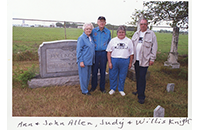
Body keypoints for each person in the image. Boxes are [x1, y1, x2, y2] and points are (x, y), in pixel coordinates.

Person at [131, 18, 158, 104]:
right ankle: (138, 91)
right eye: (141, 24)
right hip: (136, 60)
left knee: (142, 78)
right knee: (138, 77)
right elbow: (131, 44)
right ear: (140, 25)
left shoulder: (151, 34)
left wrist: (152, 58)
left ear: (147, 25)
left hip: (145, 60)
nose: (143, 25)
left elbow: (154, 47)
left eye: (145, 24)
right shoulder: (136, 33)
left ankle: (141, 96)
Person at [106, 26, 134, 96]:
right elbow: (109, 52)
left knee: (122, 75)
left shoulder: (129, 41)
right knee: (113, 74)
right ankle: (113, 88)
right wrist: (109, 62)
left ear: (125, 33)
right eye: (120, 32)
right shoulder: (113, 40)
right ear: (117, 33)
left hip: (125, 60)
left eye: (123, 32)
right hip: (114, 59)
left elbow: (131, 53)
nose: (121, 34)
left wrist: (130, 63)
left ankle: (121, 89)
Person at [90, 16, 111, 93]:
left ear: (105, 23)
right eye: (100, 21)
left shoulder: (108, 32)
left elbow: (109, 43)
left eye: (103, 21)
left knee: (103, 71)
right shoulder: (93, 31)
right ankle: (93, 86)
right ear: (97, 22)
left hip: (103, 53)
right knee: (94, 70)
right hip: (95, 53)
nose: (101, 23)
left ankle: (102, 87)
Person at [76, 23, 95, 95]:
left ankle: (86, 88)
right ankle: (84, 91)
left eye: (90, 29)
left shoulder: (90, 37)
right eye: (87, 29)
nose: (89, 30)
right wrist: (80, 61)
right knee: (83, 77)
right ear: (84, 29)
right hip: (84, 61)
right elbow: (79, 50)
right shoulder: (81, 38)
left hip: (89, 61)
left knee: (87, 76)